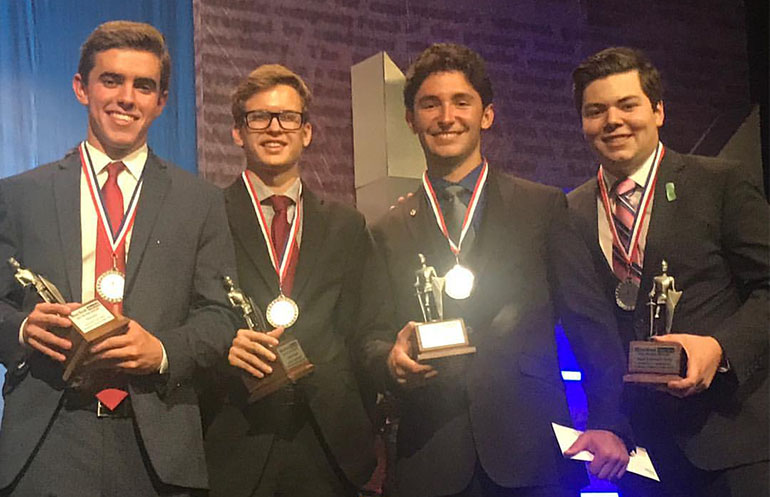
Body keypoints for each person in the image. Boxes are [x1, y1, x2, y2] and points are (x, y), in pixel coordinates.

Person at [358, 42, 633, 497]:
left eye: (461, 102)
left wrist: (609, 422)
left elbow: (590, 323)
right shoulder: (386, 229)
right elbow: (369, 335)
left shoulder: (542, 207)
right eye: (430, 104)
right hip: (429, 457)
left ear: (487, 114)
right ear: (410, 120)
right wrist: (390, 360)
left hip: (532, 453)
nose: (446, 116)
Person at [0, 21, 238, 497]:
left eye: (143, 86)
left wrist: (164, 352)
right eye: (111, 80)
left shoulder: (200, 202)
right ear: (81, 88)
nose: (127, 98)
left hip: (156, 441)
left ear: (161, 101)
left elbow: (223, 315)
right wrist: (23, 329)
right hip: (48, 437)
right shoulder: (19, 195)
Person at [567, 46, 769, 497]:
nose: (612, 120)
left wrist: (721, 347)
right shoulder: (571, 210)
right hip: (640, 454)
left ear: (658, 110)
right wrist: (608, 421)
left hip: (737, 443)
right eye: (595, 110)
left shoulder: (719, 183)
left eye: (628, 105)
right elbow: (589, 327)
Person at [202, 64, 377, 497]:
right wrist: (226, 344)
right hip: (234, 438)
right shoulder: (205, 217)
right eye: (258, 117)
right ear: (237, 133)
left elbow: (365, 329)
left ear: (307, 132)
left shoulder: (346, 226)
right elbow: (187, 315)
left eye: (288, 118)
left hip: (328, 443)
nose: (274, 128)